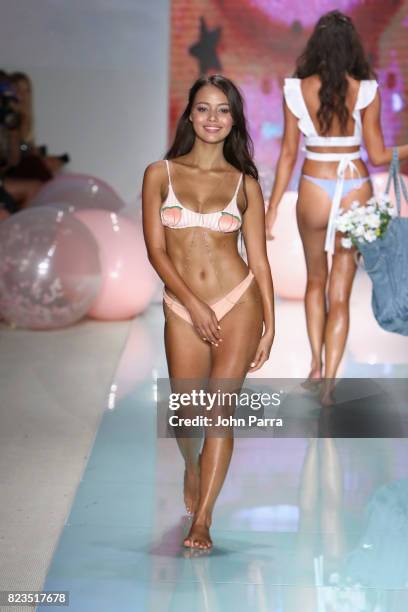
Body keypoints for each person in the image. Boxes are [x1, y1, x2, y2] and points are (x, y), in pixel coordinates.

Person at [142, 75, 275, 549]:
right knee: (185, 414)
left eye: (223, 110)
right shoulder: (160, 173)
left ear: (234, 119)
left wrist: (270, 326)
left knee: (221, 411)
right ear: (190, 115)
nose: (213, 118)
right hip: (182, 306)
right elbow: (157, 251)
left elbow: (258, 260)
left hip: (238, 300)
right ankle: (191, 463)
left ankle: (203, 520)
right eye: (203, 108)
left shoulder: (246, 183)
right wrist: (193, 305)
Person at [265, 10, 408, 405]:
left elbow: (288, 154)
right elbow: (378, 155)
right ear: (352, 48)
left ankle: (314, 366)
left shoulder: (296, 89)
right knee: (341, 293)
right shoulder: (366, 90)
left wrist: (272, 206)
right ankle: (329, 384)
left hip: (313, 186)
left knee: (315, 282)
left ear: (316, 46)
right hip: (354, 190)